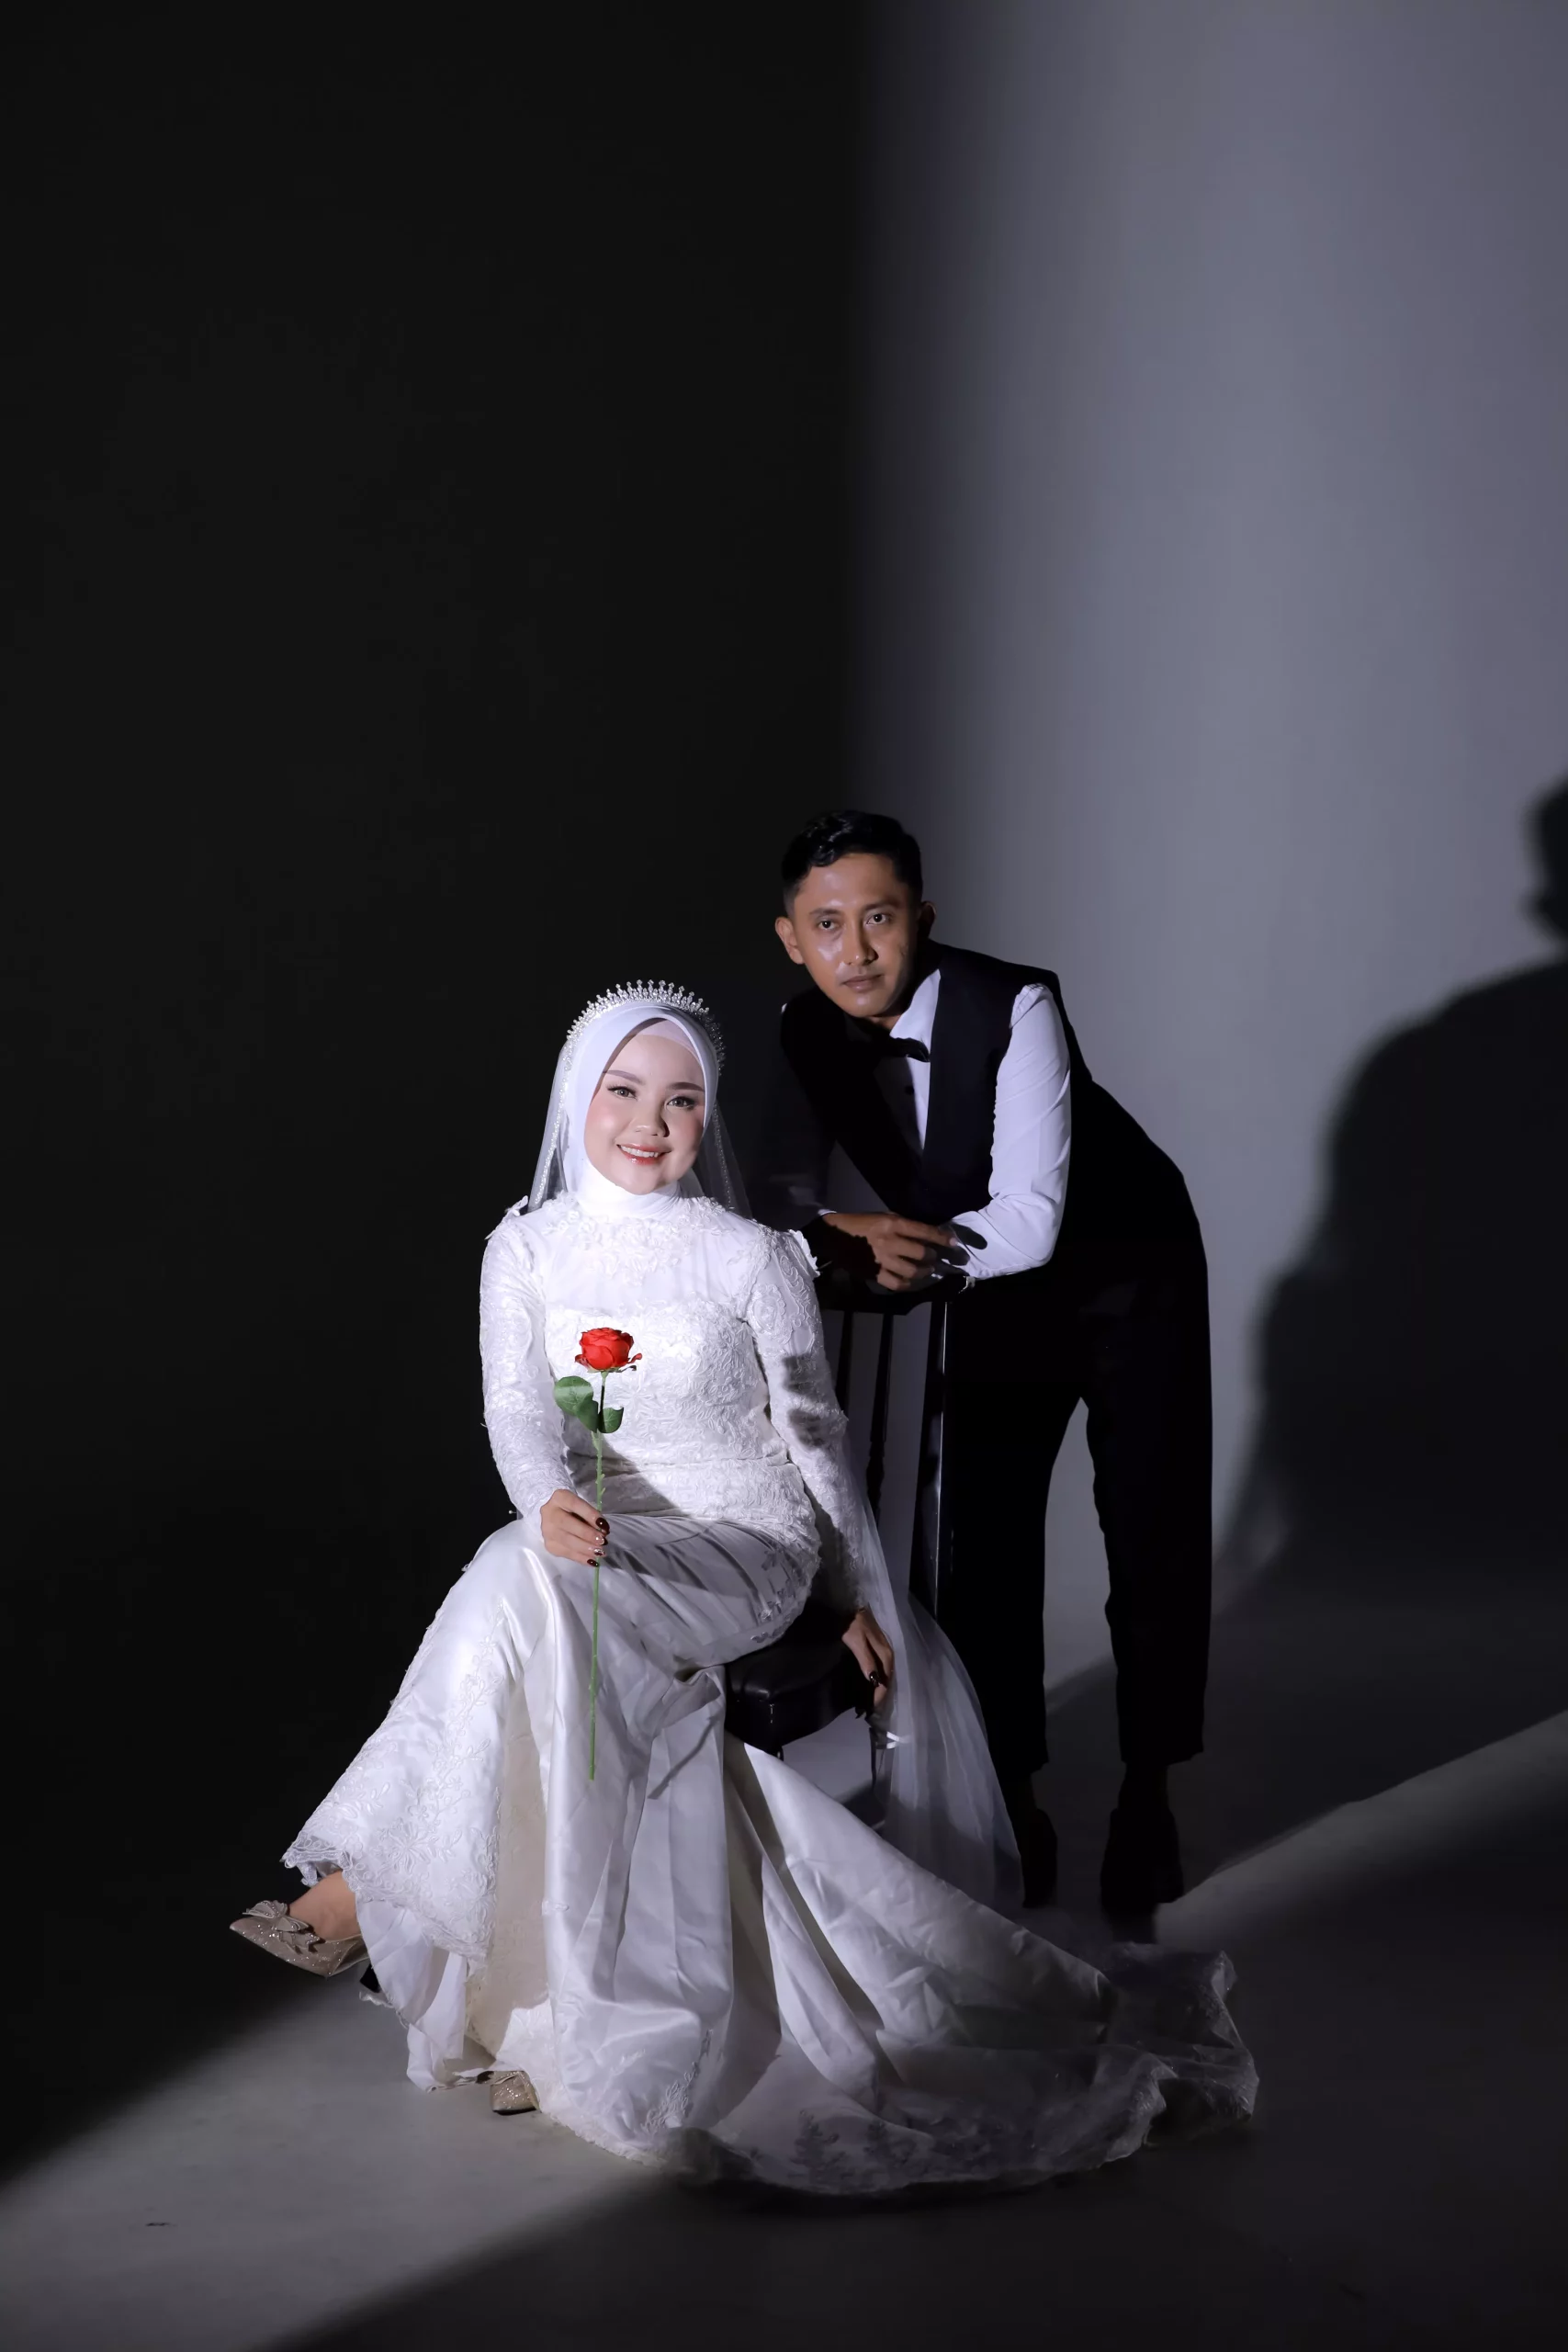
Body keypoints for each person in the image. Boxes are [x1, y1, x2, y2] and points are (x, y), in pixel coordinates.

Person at [231, 982, 1252, 2192]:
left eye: (682, 1101)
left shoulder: (747, 1254)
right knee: (537, 1591)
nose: (649, 1123)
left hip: (744, 1547)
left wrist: (850, 1590)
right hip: (594, 1536)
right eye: (624, 1091)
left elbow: (813, 1437)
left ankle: (365, 1890)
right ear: (578, 1095)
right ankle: (543, 2012)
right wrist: (542, 1495)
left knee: (521, 1581)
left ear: (705, 1117)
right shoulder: (525, 1248)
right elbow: (516, 1405)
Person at [756, 813, 1213, 1915]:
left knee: (1149, 1525)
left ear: (922, 917)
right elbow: (780, 1203)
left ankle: (1150, 1791)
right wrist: (839, 1234)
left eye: (879, 917)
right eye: (828, 925)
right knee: (983, 1540)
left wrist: (875, 1255)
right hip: (989, 1289)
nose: (856, 950)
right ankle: (1013, 1798)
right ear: (791, 938)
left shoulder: (1017, 1003)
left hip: (1127, 1268)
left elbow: (1032, 1218)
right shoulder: (801, 1028)